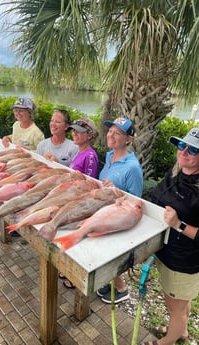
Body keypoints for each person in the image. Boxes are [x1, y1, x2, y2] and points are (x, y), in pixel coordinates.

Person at [140, 128, 199, 345]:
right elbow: (158, 199)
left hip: (184, 260)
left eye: (193, 149)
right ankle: (181, 330)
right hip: (165, 250)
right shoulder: (176, 172)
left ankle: (167, 340)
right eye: (182, 146)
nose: (184, 152)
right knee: (179, 301)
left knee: (175, 305)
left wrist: (178, 224)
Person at [96, 116, 143, 304]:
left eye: (117, 133)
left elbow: (136, 203)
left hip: (118, 218)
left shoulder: (132, 168)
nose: (111, 136)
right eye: (110, 131)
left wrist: (116, 193)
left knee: (111, 254)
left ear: (128, 139)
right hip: (105, 211)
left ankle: (122, 289)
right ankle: (113, 282)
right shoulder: (109, 156)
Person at [59, 118, 99, 288]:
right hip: (72, 198)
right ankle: (67, 267)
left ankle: (75, 275)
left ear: (89, 135)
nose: (73, 133)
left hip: (80, 203)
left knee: (78, 238)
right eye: (73, 130)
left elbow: (89, 183)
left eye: (78, 131)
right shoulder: (78, 151)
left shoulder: (90, 155)